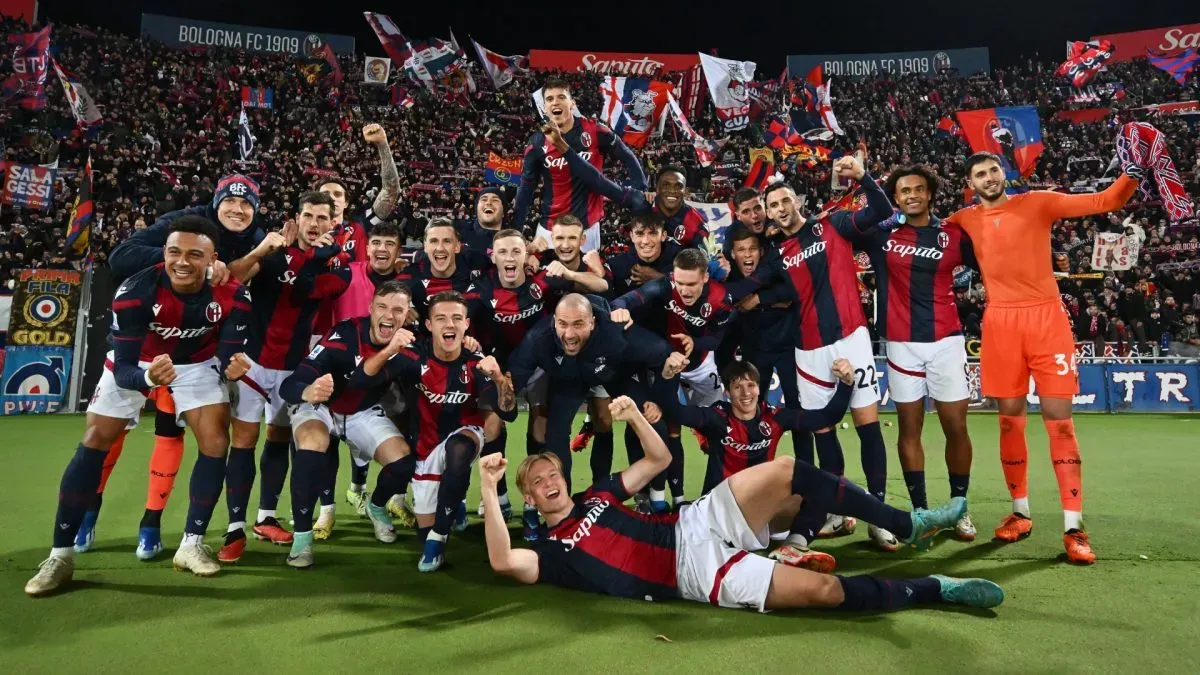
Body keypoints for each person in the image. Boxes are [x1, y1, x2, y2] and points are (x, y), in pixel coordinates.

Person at [479, 397, 1004, 613]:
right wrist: (487, 488)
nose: (549, 481)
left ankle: (904, 524)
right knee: (825, 592)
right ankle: (937, 589)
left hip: (693, 521)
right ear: (529, 496)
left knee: (787, 470)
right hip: (694, 572)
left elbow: (659, 458)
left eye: (552, 473)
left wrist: (635, 416)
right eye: (538, 480)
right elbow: (502, 562)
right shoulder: (547, 550)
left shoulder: (597, 494)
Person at [25, 216, 254, 596]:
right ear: (163, 252)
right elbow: (127, 367)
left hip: (196, 363)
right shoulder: (135, 292)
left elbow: (229, 352)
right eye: (174, 252)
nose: (182, 262)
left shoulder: (234, 295)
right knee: (97, 437)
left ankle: (191, 544)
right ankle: (60, 556)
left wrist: (233, 365)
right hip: (139, 362)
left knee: (215, 441)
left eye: (195, 255)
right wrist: (149, 381)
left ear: (214, 259)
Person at [944, 151, 1141, 564]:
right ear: (970, 182)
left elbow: (1104, 201)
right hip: (999, 323)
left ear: (1004, 173)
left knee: (1061, 424)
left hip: (1046, 318)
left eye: (994, 170)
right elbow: (920, 232)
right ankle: (1020, 514)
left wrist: (1132, 176)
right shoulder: (963, 219)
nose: (989, 177)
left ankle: (1073, 527)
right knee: (1008, 419)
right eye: (980, 174)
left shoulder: (1037, 202)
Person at [726, 157, 899, 550]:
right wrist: (719, 284)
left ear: (797, 201)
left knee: (866, 425)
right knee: (823, 430)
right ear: (768, 214)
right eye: (773, 206)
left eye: (785, 200)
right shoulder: (777, 253)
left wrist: (864, 176)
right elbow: (754, 285)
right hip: (808, 351)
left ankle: (880, 513)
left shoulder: (832, 225)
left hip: (851, 339)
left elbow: (882, 211)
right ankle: (836, 509)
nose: (780, 209)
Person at [93, 174, 267, 560]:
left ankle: (151, 524)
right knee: (110, 433)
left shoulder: (257, 240)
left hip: (197, 355)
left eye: (247, 205)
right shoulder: (183, 222)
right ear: (216, 202)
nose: (237, 210)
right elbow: (120, 258)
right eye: (230, 202)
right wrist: (188, 258)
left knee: (174, 434)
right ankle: (90, 509)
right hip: (144, 344)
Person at [219, 191, 351, 562]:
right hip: (253, 361)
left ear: (333, 222)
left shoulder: (339, 264)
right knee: (243, 440)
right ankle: (234, 528)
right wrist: (262, 250)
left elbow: (310, 290)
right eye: (308, 216)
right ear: (298, 217)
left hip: (294, 367)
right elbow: (231, 280)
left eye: (322, 218)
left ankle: (265, 518)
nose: (314, 224)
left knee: (278, 439)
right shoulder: (274, 251)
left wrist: (317, 257)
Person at [352, 290, 518, 571]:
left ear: (467, 324)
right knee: (422, 529)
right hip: (425, 447)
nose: (449, 324)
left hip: (465, 433)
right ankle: (442, 512)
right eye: (440, 318)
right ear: (429, 326)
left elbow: (509, 412)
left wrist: (500, 378)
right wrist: (390, 349)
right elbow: (361, 379)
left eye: (456, 318)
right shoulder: (412, 357)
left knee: (459, 451)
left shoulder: (476, 362)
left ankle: (439, 537)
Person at [857, 166, 977, 540]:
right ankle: (922, 511)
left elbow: (992, 265)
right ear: (896, 197)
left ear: (929, 194)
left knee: (955, 427)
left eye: (918, 190)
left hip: (946, 341)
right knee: (910, 428)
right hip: (900, 344)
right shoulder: (882, 234)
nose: (911, 195)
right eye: (904, 190)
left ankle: (959, 507)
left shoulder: (954, 235)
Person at [506, 293, 688, 535]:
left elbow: (663, 354)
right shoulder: (538, 339)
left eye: (578, 324)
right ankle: (562, 515)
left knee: (653, 422)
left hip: (616, 374)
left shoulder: (617, 331)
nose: (569, 334)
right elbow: (512, 382)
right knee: (555, 435)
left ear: (592, 322)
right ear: (554, 322)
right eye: (562, 324)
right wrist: (500, 391)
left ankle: (651, 499)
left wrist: (658, 400)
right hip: (568, 381)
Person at [278, 282, 421, 568]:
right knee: (312, 446)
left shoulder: (408, 347)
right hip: (320, 406)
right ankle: (303, 537)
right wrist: (307, 392)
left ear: (407, 316)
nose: (389, 315)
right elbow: (290, 385)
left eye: (398, 310)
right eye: (382, 307)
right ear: (370, 308)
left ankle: (377, 506)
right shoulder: (343, 334)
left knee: (404, 462)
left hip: (362, 411)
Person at [611, 247, 736, 509]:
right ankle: (671, 500)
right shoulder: (665, 285)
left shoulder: (722, 299)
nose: (685, 290)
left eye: (691, 284)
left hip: (701, 368)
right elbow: (630, 299)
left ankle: (721, 497)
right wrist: (620, 308)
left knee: (722, 430)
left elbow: (717, 339)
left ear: (705, 278)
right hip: (666, 365)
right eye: (680, 283)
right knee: (665, 429)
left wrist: (696, 341)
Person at [513, 79, 647, 252]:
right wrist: (516, 232)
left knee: (587, 276)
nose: (556, 102)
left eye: (561, 97)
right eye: (550, 99)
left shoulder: (595, 130)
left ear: (572, 103)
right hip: (550, 228)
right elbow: (525, 190)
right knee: (546, 278)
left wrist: (641, 190)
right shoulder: (536, 143)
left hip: (587, 227)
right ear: (545, 108)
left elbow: (628, 156)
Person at [315, 123, 402, 265]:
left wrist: (382, 144)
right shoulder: (305, 232)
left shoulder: (361, 225)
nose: (331, 197)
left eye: (337, 194)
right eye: (325, 194)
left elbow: (391, 191)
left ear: (346, 202)